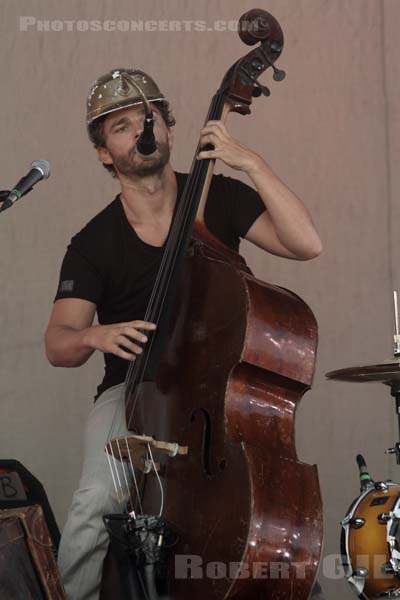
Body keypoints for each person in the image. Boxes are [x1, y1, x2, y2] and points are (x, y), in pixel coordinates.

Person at [45, 68, 323, 600]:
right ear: (105, 152)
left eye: (148, 117)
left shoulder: (217, 198)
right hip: (134, 391)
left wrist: (252, 164)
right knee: (96, 498)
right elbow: (57, 342)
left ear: (169, 128)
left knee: (262, 501)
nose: (140, 130)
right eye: (121, 126)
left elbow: (306, 243)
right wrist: (94, 336)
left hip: (216, 395)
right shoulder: (94, 241)